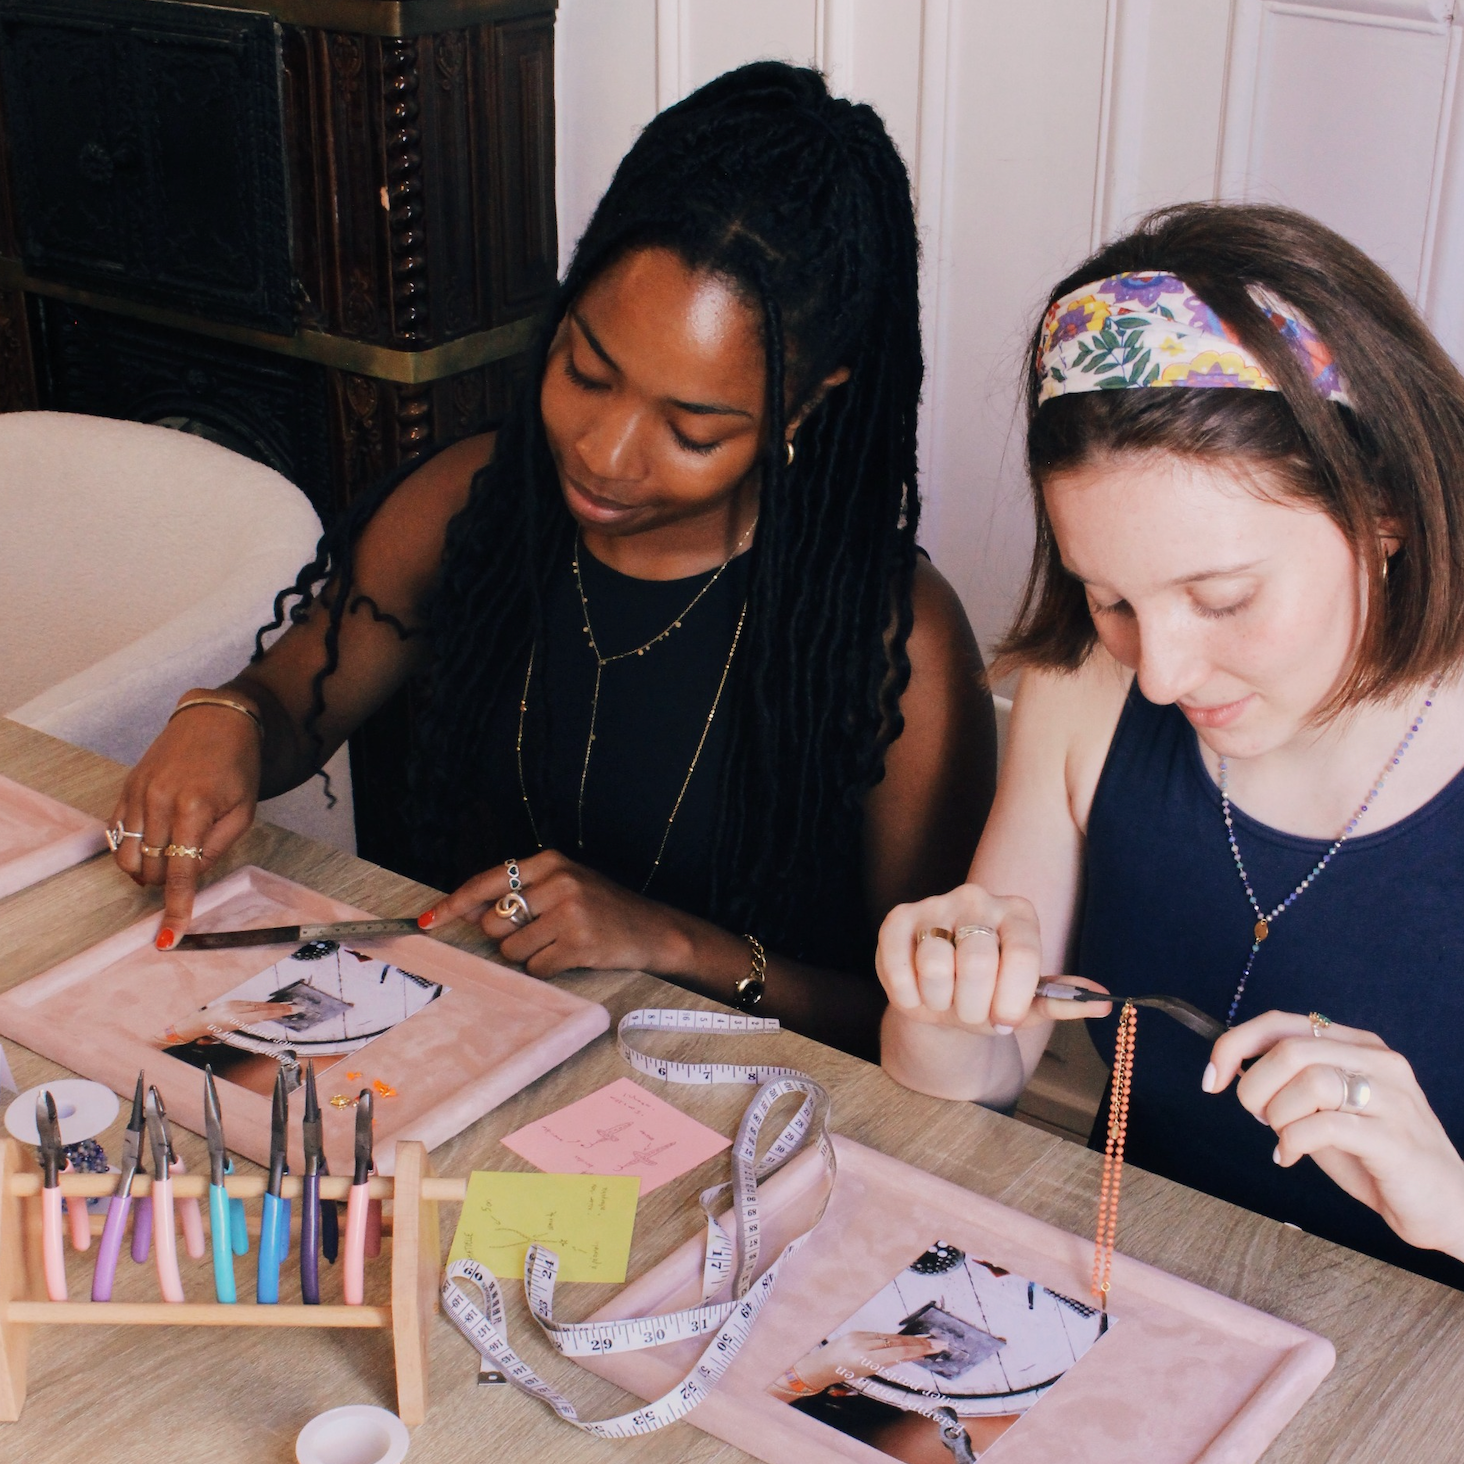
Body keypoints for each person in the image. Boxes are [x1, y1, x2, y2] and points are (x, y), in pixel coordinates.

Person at [109, 62, 996, 1061]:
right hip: (468, 1064)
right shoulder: (474, 505)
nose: (605, 455)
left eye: (693, 429)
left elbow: (935, 1028)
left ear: (804, 403)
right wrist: (221, 720)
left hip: (753, 1129)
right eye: (586, 372)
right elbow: (288, 706)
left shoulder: (890, 639)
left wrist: (670, 943)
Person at [876, 202, 1464, 1285]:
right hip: (1139, 1317)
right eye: (1109, 598)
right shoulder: (1085, 690)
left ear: (1385, 508)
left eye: (1223, 598)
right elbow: (979, 1079)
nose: (1160, 673)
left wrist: (1454, 1203)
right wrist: (940, 1005)